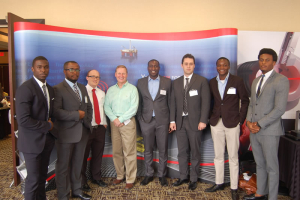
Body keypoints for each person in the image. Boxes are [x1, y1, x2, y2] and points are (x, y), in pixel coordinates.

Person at [243, 48, 289, 200]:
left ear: (274, 62)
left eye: (267, 60)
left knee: (272, 167)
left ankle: (273, 197)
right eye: (261, 60)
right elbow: (251, 104)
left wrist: (260, 124)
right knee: (260, 164)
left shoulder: (281, 80)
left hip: (269, 131)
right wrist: (249, 122)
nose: (263, 62)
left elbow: (280, 109)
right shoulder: (256, 80)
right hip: (254, 130)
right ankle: (260, 193)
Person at [205, 57, 249, 200]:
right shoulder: (212, 82)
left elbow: (245, 100)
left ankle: (234, 187)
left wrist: (240, 120)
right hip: (216, 123)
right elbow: (209, 102)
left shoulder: (237, 81)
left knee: (233, 157)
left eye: (224, 65)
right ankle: (219, 183)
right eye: (219, 65)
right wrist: (210, 118)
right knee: (218, 155)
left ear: (229, 66)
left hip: (232, 123)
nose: (222, 67)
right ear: (216, 67)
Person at [15, 56, 56, 200]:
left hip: (46, 141)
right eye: (39, 67)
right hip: (31, 143)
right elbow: (23, 120)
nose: (43, 70)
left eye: (46, 67)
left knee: (42, 177)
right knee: (33, 179)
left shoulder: (49, 89)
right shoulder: (25, 88)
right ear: (33, 69)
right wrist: (48, 125)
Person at [169, 53, 210, 190]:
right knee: (182, 152)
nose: (188, 66)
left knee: (195, 152)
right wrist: (172, 121)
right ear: (182, 65)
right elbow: (173, 103)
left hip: (195, 123)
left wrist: (203, 120)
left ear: (194, 65)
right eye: (186, 64)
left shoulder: (202, 81)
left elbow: (206, 103)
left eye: (191, 64)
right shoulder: (176, 82)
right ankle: (183, 177)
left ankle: (193, 179)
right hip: (180, 122)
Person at [53, 61, 93, 200]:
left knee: (78, 164)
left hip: (82, 133)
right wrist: (77, 115)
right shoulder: (58, 89)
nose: (74, 72)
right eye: (71, 69)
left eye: (77, 69)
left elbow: (88, 107)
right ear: (64, 71)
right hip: (65, 134)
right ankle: (63, 195)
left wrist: (87, 122)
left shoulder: (82, 87)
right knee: (63, 166)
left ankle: (77, 190)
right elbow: (56, 112)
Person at [137, 59, 171, 187]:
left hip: (163, 121)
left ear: (159, 68)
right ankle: (149, 174)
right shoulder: (140, 82)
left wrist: (171, 120)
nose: (153, 68)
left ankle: (162, 175)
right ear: (147, 68)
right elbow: (139, 102)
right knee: (148, 150)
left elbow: (171, 102)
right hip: (146, 121)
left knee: (163, 150)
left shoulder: (167, 82)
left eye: (156, 66)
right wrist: (140, 119)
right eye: (151, 66)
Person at [104, 65, 139, 190]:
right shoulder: (111, 90)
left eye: (123, 73)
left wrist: (121, 119)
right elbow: (106, 107)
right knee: (117, 151)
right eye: (119, 73)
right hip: (115, 123)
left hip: (128, 123)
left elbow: (134, 108)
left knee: (129, 152)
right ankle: (120, 175)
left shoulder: (132, 89)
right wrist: (115, 119)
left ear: (127, 74)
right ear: (115, 74)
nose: (121, 75)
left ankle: (130, 179)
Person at [81, 69, 108, 191]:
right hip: (87, 129)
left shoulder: (101, 93)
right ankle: (82, 181)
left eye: (97, 77)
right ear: (87, 77)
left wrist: (105, 123)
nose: (95, 79)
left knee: (98, 154)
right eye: (93, 76)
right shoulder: (81, 92)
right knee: (83, 156)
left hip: (100, 128)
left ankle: (96, 178)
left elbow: (104, 109)